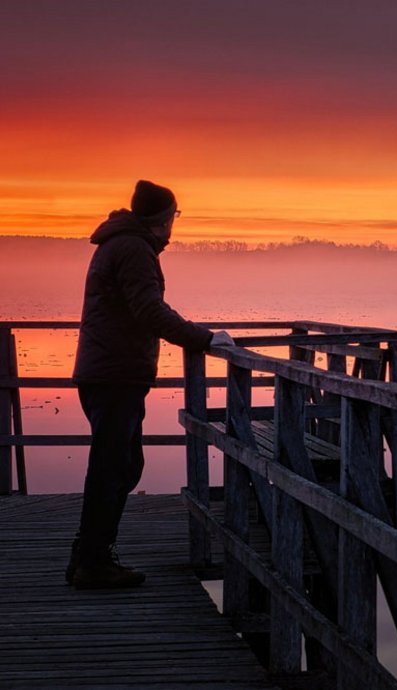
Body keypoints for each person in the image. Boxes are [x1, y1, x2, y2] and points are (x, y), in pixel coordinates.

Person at [67, 180, 234, 589]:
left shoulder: (120, 245)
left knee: (121, 465)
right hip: (115, 374)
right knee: (113, 467)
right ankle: (92, 562)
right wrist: (204, 338)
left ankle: (88, 556)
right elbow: (149, 310)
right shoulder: (133, 249)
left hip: (109, 371)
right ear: (162, 219)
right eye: (174, 217)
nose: (173, 227)